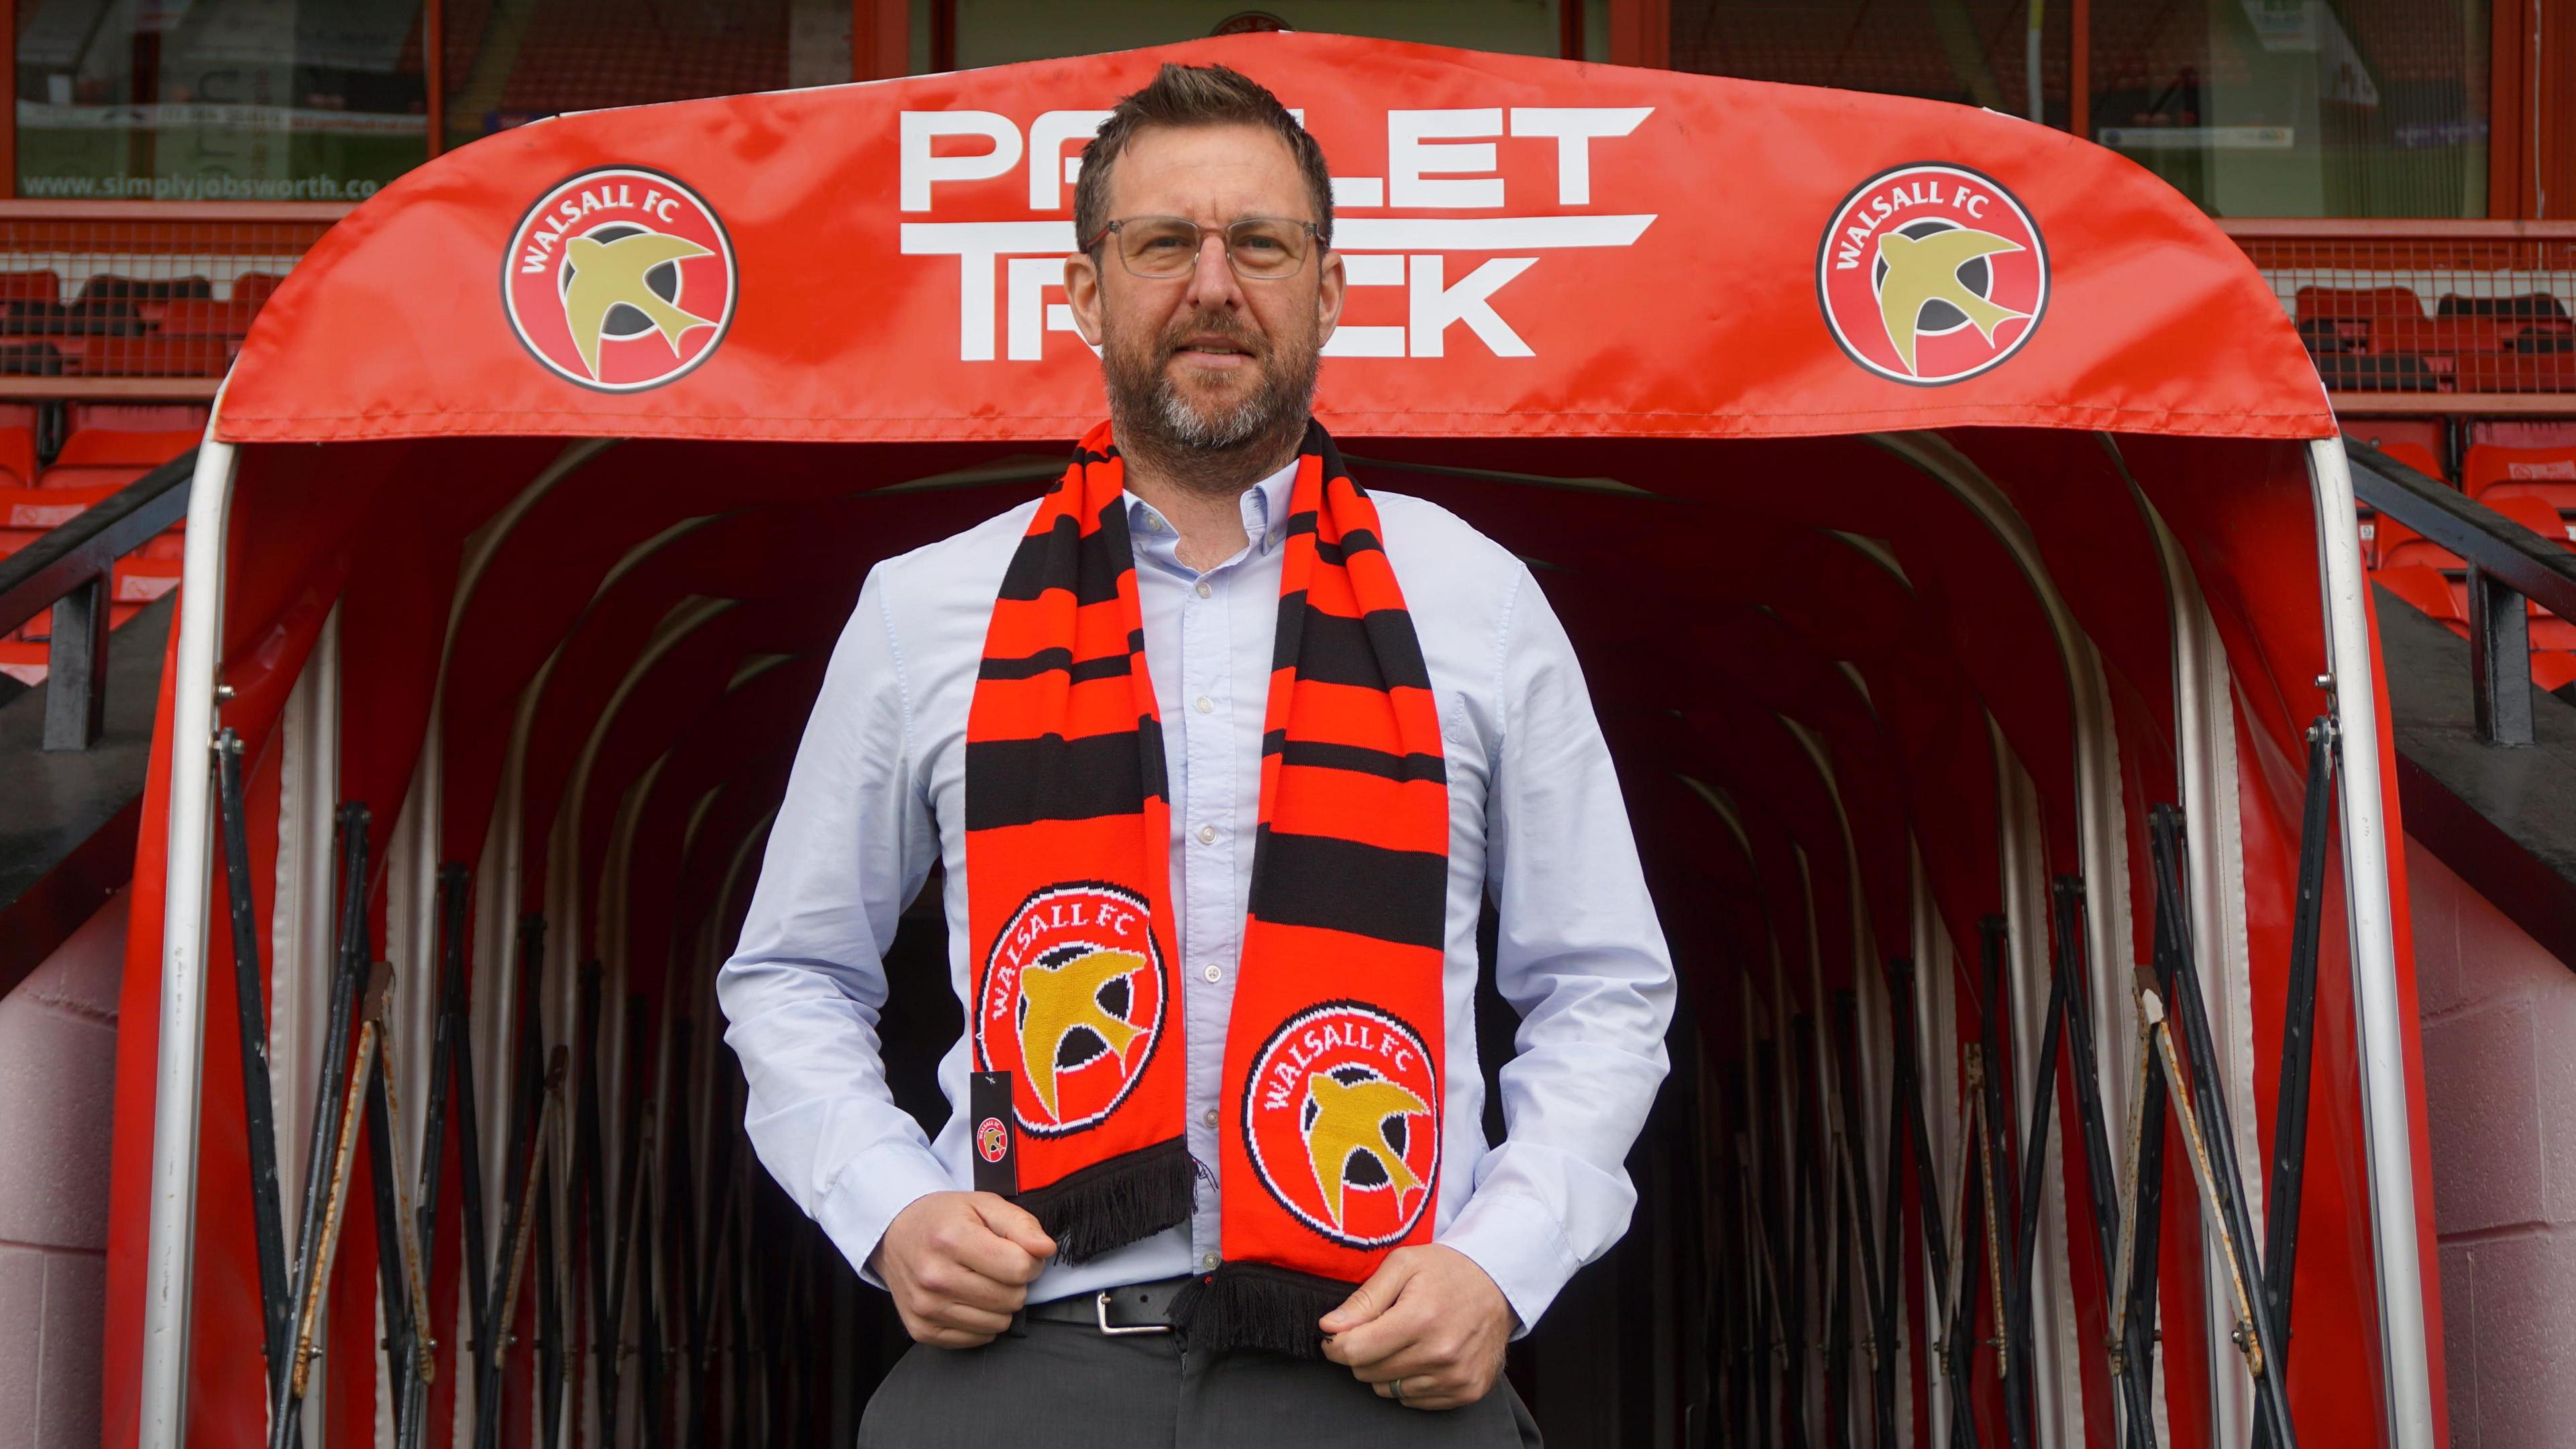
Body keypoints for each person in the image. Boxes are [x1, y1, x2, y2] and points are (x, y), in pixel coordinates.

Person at [716, 61, 1676, 1447]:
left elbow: (1602, 986)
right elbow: (794, 974)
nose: (1213, 284)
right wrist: (888, 1210)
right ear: (1086, 292)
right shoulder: (925, 610)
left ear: (1330, 293)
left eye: (1262, 244)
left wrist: (1500, 1265)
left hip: (1379, 1376)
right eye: (1163, 243)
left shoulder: (1479, 602)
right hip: (1022, 1366)